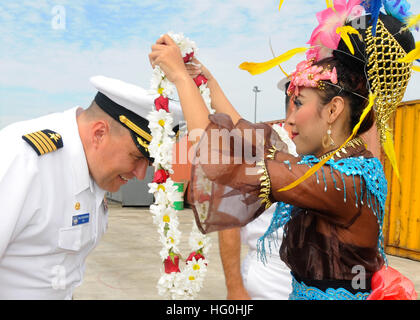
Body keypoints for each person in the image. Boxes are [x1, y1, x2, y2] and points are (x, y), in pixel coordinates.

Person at [149, 1, 418, 300]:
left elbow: (218, 160)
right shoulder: (330, 167)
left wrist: (181, 80)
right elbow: (249, 138)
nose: (289, 119)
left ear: (333, 110)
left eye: (299, 103)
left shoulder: (343, 183)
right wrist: (207, 81)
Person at [0, 75, 184, 299]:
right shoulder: (22, 161)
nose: (140, 173)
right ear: (99, 133)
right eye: (137, 157)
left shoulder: (94, 170)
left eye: (150, 163)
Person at [217, 83, 296, 300]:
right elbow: (230, 223)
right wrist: (234, 287)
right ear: (293, 103)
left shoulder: (328, 153)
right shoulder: (259, 149)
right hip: (265, 285)